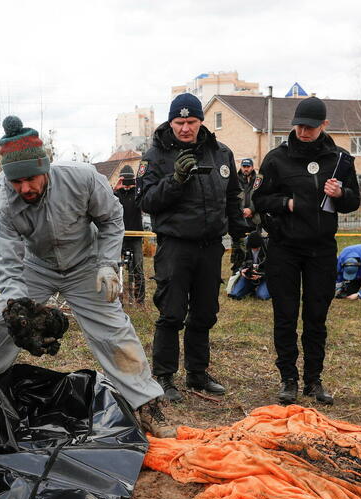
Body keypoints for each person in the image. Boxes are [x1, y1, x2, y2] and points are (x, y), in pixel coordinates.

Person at [0, 116, 175, 439]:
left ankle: (147, 403)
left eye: (31, 179)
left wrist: (106, 263)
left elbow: (112, 219)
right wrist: (18, 306)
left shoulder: (81, 179)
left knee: (114, 329)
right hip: (36, 267)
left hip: (85, 264)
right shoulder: (5, 205)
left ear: (46, 167)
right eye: (17, 182)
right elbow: (7, 260)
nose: (25, 188)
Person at [138, 92, 247, 402]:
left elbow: (232, 198)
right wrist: (176, 179)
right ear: (170, 122)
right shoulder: (155, 156)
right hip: (175, 245)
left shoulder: (220, 153)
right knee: (171, 312)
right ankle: (164, 375)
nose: (185, 128)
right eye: (179, 122)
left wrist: (239, 236)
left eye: (191, 122)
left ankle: (198, 373)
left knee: (204, 312)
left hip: (211, 246)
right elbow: (146, 201)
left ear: (201, 121)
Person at [253, 96, 360, 406]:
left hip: (321, 250)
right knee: (285, 316)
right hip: (285, 248)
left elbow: (353, 203)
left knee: (316, 316)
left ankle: (314, 379)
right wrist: (284, 203)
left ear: (324, 126)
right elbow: (258, 199)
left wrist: (340, 194)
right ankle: (288, 378)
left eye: (310, 127)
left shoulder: (340, 159)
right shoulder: (276, 159)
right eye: (299, 126)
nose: (303, 131)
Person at [114, 165, 145, 304]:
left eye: (129, 180)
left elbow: (146, 203)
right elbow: (106, 204)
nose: (127, 183)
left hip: (136, 236)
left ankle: (140, 300)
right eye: (124, 180)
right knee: (116, 268)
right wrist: (115, 188)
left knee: (138, 268)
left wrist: (138, 185)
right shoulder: (116, 195)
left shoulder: (138, 194)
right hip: (120, 237)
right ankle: (117, 298)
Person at [229, 230, 270, 301]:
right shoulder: (244, 246)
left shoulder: (268, 246)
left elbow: (274, 267)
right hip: (248, 277)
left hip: (266, 277)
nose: (254, 250)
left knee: (262, 296)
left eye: (257, 248)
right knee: (235, 295)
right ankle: (251, 288)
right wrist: (242, 270)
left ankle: (262, 288)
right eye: (252, 248)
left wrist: (261, 274)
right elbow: (239, 263)